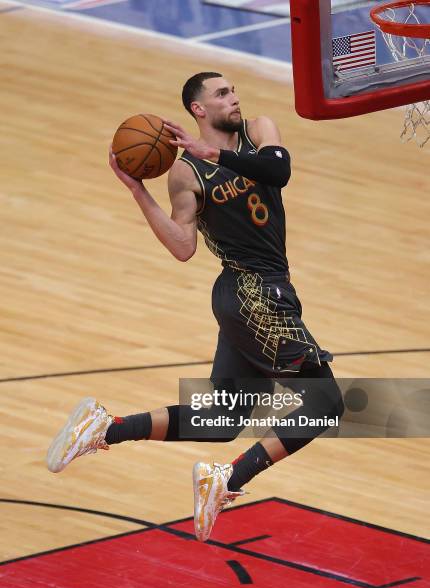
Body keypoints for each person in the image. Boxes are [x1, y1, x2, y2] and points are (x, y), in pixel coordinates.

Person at [46, 72, 344, 542]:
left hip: (257, 292)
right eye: (222, 94)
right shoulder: (186, 172)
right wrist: (137, 191)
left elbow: (279, 173)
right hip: (250, 292)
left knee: (223, 419)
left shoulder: (259, 132)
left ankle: (106, 427)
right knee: (325, 404)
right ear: (198, 110)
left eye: (233, 90)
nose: (234, 99)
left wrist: (215, 153)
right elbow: (183, 246)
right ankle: (229, 478)